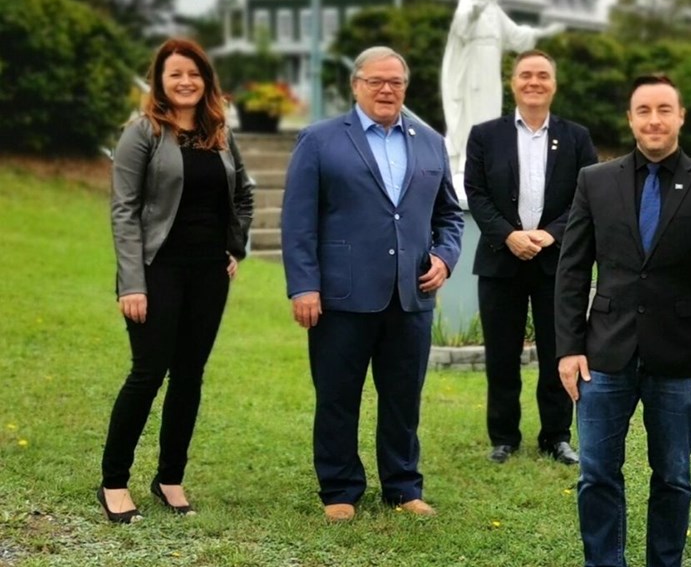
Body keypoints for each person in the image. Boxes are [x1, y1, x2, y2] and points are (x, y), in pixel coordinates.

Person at [551, 74, 691, 567]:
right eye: (643, 110)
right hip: (604, 353)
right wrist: (569, 347)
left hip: (681, 358)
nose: (654, 120)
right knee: (596, 472)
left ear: (681, 116)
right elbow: (571, 272)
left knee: (674, 475)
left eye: (664, 109)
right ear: (630, 118)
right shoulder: (595, 180)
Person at [280, 46, 464, 522]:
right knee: (338, 394)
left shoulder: (429, 141)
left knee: (403, 397)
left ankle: (403, 487)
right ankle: (340, 489)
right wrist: (304, 286)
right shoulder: (319, 141)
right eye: (376, 81)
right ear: (356, 85)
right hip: (342, 295)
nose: (387, 90)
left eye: (396, 83)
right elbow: (298, 221)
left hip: (412, 295)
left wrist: (445, 257)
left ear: (406, 87)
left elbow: (448, 214)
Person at [102, 38, 254, 522]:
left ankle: (170, 478)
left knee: (189, 376)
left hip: (209, 274)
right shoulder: (142, 132)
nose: (185, 81)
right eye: (174, 74)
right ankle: (113, 482)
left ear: (206, 79)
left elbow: (244, 195)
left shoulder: (220, 134)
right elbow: (124, 210)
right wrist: (131, 283)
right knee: (147, 374)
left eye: (194, 73)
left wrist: (234, 247)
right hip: (156, 270)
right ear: (160, 82)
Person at [463, 49, 597, 465]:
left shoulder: (576, 137)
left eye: (542, 75)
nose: (534, 81)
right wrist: (509, 235)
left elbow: (587, 194)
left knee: (559, 351)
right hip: (501, 261)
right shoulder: (485, 135)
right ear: (513, 82)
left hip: (556, 262)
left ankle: (556, 436)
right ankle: (504, 436)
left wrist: (550, 234)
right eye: (526, 75)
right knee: (501, 355)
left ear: (554, 84)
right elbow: (476, 193)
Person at [441, 0, 564, 178]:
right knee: (473, 112)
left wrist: (542, 33)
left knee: (490, 110)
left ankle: (486, 159)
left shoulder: (493, 9)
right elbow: (460, 28)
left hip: (490, 70)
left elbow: (515, 35)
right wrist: (473, 15)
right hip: (473, 70)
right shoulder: (469, 3)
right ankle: (467, 161)